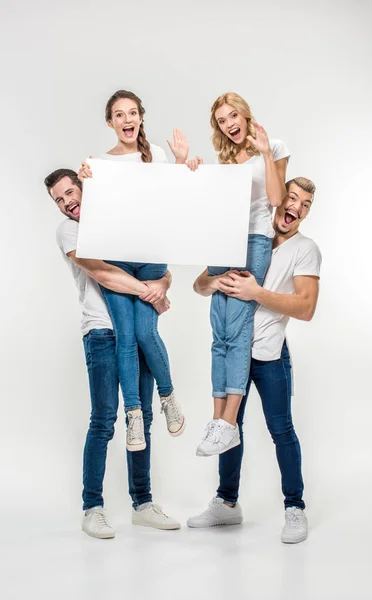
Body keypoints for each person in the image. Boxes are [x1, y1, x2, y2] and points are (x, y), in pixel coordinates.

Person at [45, 168, 181, 538]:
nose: (67, 202)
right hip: (102, 331)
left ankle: (143, 503)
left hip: (135, 329)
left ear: (84, 188)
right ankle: (92, 507)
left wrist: (162, 283)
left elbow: (155, 264)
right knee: (104, 419)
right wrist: (150, 291)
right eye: (59, 199)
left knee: (143, 417)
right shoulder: (69, 231)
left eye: (71, 192)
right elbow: (103, 273)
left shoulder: (116, 220)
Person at [188, 177, 321, 544]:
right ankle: (227, 504)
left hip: (268, 353)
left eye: (305, 205)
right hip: (234, 351)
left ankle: (295, 507)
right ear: (278, 200)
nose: (296, 207)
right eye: (291, 198)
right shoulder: (246, 238)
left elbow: (307, 307)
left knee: (281, 430)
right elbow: (200, 284)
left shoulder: (305, 249)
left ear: (306, 214)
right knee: (228, 428)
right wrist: (218, 282)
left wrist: (257, 293)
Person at [78, 90, 187, 452]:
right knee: (126, 336)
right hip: (118, 259)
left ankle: (168, 396)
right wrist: (86, 183)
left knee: (145, 332)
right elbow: (95, 217)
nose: (127, 120)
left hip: (151, 254)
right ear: (110, 122)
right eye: (119, 115)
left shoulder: (154, 153)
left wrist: (181, 164)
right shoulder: (99, 163)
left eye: (133, 113)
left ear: (140, 117)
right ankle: (135, 416)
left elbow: (174, 201)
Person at [188, 92, 289, 456]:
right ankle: (218, 423)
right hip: (223, 241)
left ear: (245, 115)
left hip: (255, 241)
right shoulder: (224, 159)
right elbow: (209, 205)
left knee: (239, 329)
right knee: (220, 335)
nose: (229, 124)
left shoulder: (273, 145)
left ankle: (229, 422)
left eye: (233, 115)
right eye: (221, 120)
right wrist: (192, 168)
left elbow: (276, 201)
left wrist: (264, 152)